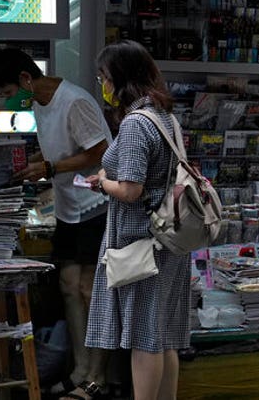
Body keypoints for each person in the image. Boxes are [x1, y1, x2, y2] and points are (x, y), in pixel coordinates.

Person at [0, 48, 112, 399]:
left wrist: (51, 169)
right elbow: (59, 150)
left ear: (26, 79)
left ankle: (96, 378)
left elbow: (100, 152)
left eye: (7, 94)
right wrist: (31, 163)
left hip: (97, 204)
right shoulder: (39, 103)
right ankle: (80, 369)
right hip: (70, 208)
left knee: (89, 291)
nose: (7, 102)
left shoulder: (75, 102)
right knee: (69, 287)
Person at [85, 40, 190, 400]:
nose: (103, 85)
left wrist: (103, 182)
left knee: (145, 337)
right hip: (170, 240)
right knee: (162, 337)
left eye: (104, 78)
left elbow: (130, 190)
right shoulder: (166, 118)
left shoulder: (134, 124)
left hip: (141, 244)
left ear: (121, 79)